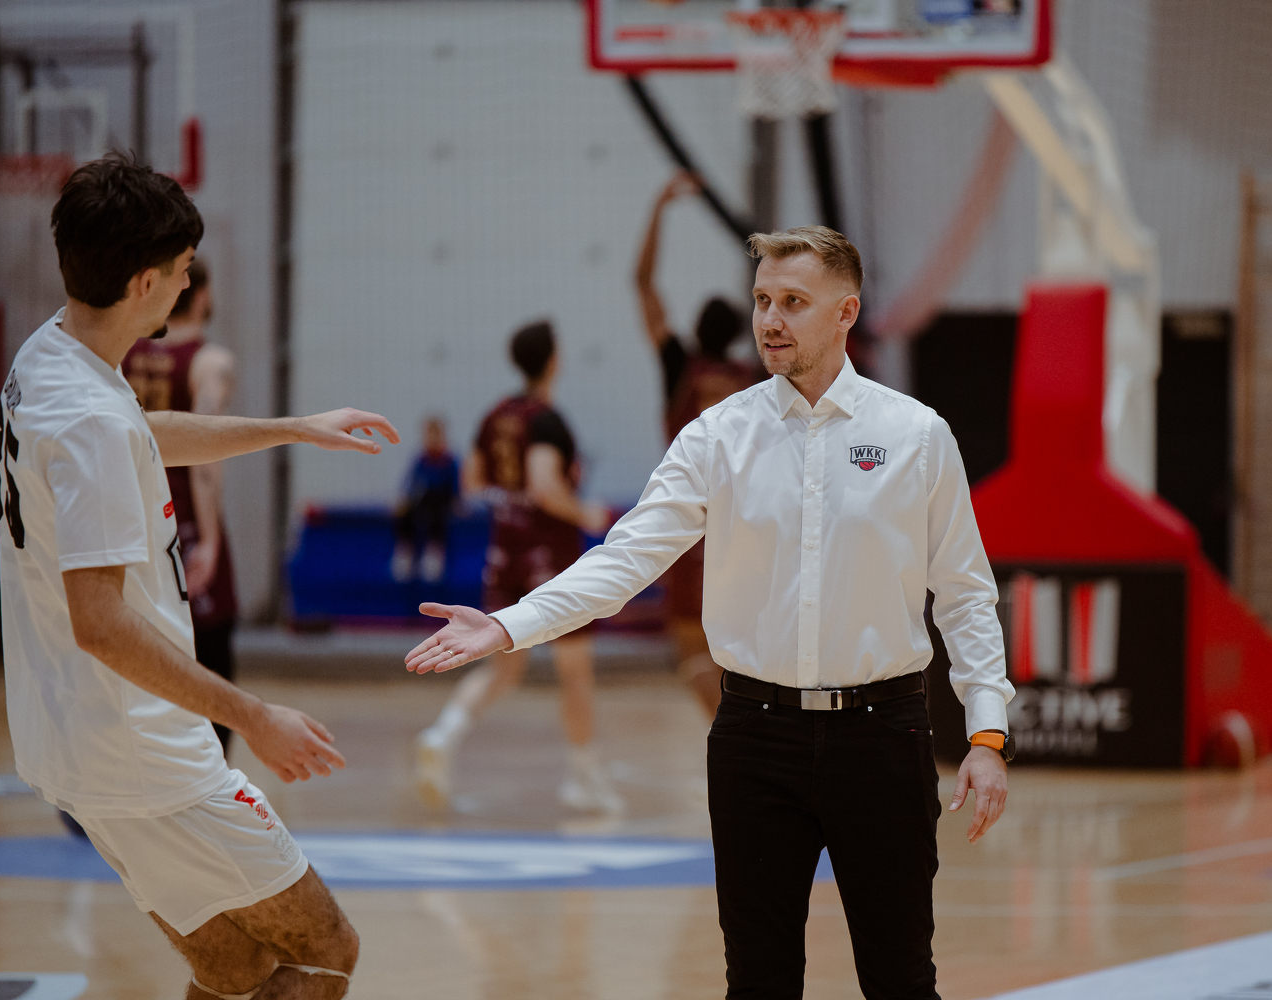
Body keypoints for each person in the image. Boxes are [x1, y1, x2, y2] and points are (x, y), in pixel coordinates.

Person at [406, 227, 1013, 1000]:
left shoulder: (917, 435)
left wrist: (986, 733)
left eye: (792, 302)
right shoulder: (717, 436)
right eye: (762, 300)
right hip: (754, 740)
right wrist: (509, 624)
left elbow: (964, 594)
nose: (770, 320)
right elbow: (626, 558)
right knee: (756, 982)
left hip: (883, 738)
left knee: (900, 980)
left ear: (845, 312)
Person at [0, 153, 399, 1000]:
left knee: (231, 965)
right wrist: (253, 716)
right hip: (141, 752)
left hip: (67, 736)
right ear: (145, 282)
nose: (188, 285)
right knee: (325, 947)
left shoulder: (49, 354)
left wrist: (294, 427)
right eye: (182, 270)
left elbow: (141, 435)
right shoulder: (90, 420)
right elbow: (100, 623)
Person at [412, 322, 619, 813]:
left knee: (503, 666)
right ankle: (583, 778)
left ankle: (443, 735)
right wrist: (584, 512)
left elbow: (471, 481)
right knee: (575, 672)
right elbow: (544, 486)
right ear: (552, 361)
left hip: (503, 553)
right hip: (549, 557)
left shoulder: (494, 416)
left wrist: (511, 502)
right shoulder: (546, 420)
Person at [635, 171, 764, 717]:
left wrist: (659, 208)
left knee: (691, 649)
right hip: (747, 517)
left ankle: (729, 734)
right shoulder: (756, 379)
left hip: (688, 517)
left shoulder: (678, 366)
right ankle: (746, 734)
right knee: (746, 652)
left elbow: (643, 284)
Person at [123, 258, 240, 752]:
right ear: (202, 294)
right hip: (183, 521)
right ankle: (211, 776)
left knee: (138, 651)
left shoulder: (123, 351)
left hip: (128, 519)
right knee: (210, 655)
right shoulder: (210, 361)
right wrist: (209, 539)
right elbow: (205, 457)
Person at [390, 416, 460, 584]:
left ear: (442, 436)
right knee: (406, 513)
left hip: (443, 501)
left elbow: (456, 486)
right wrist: (402, 500)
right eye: (429, 435)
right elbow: (410, 483)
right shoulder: (421, 459)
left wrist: (458, 502)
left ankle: (434, 553)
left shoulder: (449, 460)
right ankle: (405, 551)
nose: (432, 439)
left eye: (436, 435)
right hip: (424, 500)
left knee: (437, 514)